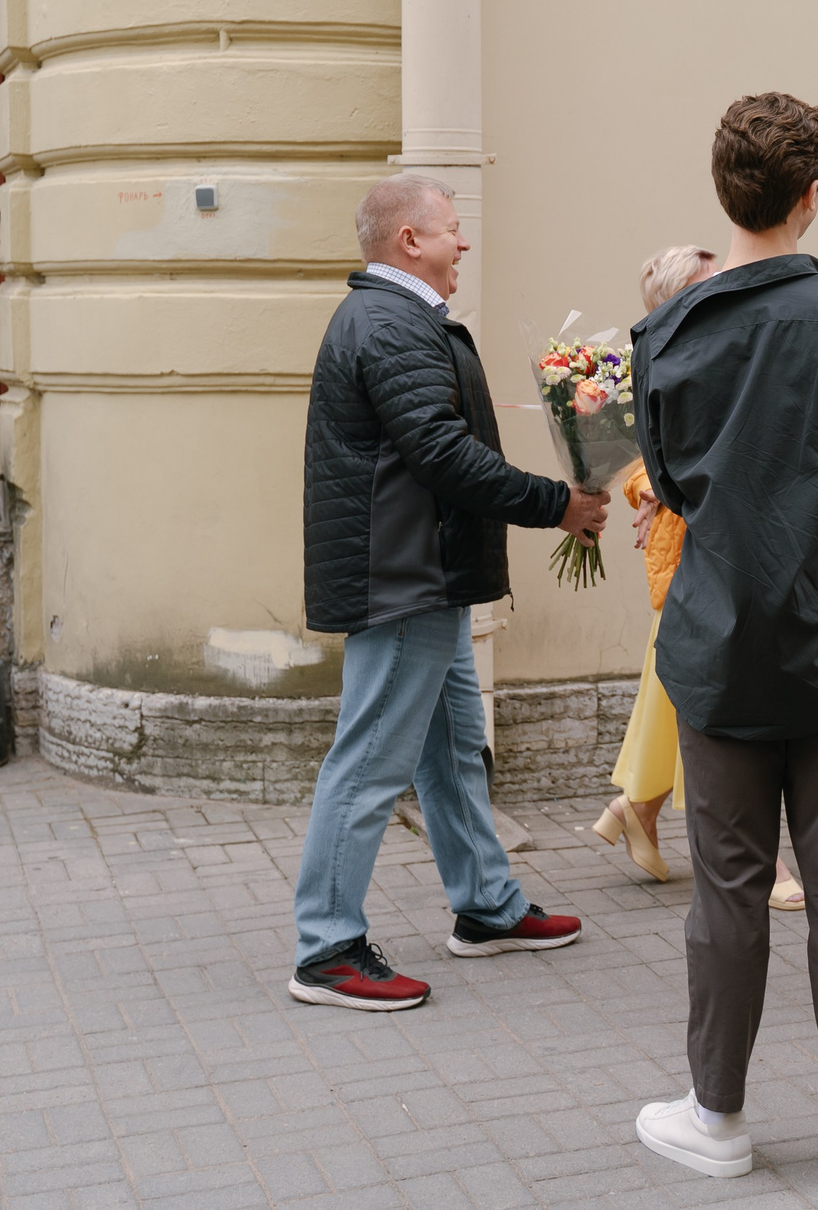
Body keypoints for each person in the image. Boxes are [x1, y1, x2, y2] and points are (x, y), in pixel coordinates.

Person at [628, 94, 818, 1183]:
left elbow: (670, 481)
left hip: (716, 642)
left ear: (726, 192)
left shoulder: (668, 331)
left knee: (727, 887)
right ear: (811, 195)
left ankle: (716, 1118)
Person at [289, 174, 609, 1011]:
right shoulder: (390, 322)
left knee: (455, 748)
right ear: (410, 241)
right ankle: (327, 947)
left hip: (427, 574)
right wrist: (558, 503)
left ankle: (487, 905)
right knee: (370, 762)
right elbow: (442, 453)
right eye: (451, 229)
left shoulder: (399, 317)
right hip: (406, 582)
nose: (463, 242)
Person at [593, 242, 805, 911]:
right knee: (709, 696)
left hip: (724, 551)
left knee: (676, 688)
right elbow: (634, 461)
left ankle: (638, 807)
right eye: (712, 282)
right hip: (694, 556)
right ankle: (760, 859)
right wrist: (654, 487)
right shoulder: (659, 358)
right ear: (681, 297)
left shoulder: (729, 350)